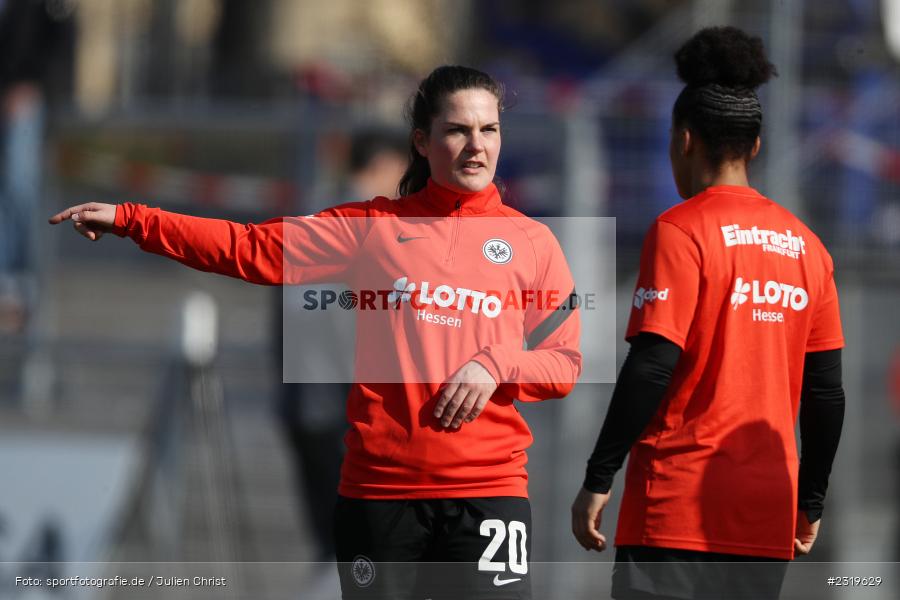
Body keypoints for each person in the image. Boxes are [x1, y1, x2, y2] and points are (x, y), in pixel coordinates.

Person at [50, 65, 582, 600]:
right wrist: (134, 218)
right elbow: (246, 246)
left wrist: (498, 364)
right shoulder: (371, 229)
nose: (476, 146)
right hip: (380, 494)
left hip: (488, 493)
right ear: (422, 142)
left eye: (488, 130)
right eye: (457, 130)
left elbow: (564, 363)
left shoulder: (533, 243)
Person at [570, 27, 845, 600]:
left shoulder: (680, 230)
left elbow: (652, 365)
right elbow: (825, 393)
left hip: (676, 511)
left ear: (684, 140)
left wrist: (600, 476)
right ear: (756, 147)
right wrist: (810, 500)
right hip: (767, 513)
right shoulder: (809, 247)